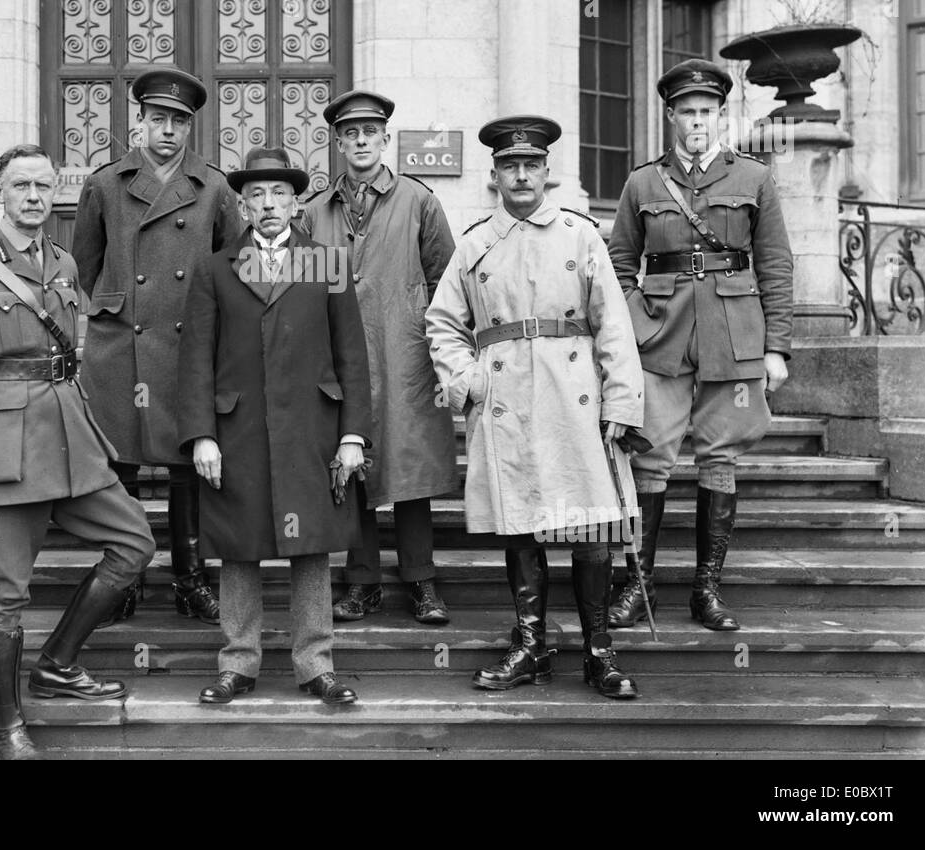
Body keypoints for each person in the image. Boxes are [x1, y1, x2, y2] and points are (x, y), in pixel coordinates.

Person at [0, 144, 156, 760]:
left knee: (134, 542)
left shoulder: (64, 263)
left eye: (43, 186)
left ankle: (56, 663)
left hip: (70, 436)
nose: (33, 196)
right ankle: (8, 730)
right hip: (3, 453)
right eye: (20, 185)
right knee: (6, 594)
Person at [426, 116, 644, 699]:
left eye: (531, 165)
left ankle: (600, 653)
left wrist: (621, 397)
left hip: (573, 397)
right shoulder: (474, 242)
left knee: (590, 523)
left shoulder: (580, 235)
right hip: (506, 400)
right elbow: (443, 323)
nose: (521, 176)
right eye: (509, 166)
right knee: (521, 526)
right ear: (494, 176)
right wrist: (468, 380)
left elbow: (613, 324)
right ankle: (531, 647)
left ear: (548, 173)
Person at [177, 147, 372, 706]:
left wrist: (354, 434)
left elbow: (352, 356)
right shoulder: (217, 267)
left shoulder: (326, 263)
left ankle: (316, 665)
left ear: (295, 201)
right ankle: (238, 664)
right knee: (240, 546)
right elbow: (196, 358)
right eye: (257, 195)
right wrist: (202, 435)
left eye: (279, 194)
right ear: (242, 203)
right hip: (236, 428)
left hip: (312, 425)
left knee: (311, 546)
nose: (268, 205)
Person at [606, 59, 793, 632]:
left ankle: (706, 590)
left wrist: (776, 347)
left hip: (734, 338)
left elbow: (776, 265)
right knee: (651, 457)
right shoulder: (643, 181)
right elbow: (617, 263)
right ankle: (639, 588)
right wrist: (638, 323)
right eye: (686, 112)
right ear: (670, 116)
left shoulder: (753, 178)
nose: (697, 122)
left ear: (721, 116)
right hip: (660, 341)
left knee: (719, 456)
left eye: (706, 112)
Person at [72, 67, 242, 625]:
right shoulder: (104, 184)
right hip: (120, 343)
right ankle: (123, 575)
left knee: (187, 466)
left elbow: (233, 268)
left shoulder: (214, 186)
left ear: (190, 127)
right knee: (118, 464)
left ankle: (190, 577)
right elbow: (84, 269)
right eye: (158, 119)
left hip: (187, 342)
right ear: (139, 122)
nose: (168, 131)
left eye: (179, 122)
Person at [299, 90, 458, 625]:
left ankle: (422, 581)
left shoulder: (419, 201)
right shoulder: (313, 211)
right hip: (337, 358)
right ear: (338, 142)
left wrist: (433, 342)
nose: (361, 141)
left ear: (385, 139)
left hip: (404, 353)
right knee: (352, 466)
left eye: (370, 132)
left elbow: (446, 281)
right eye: (351, 133)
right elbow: (298, 285)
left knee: (409, 465)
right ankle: (360, 582)